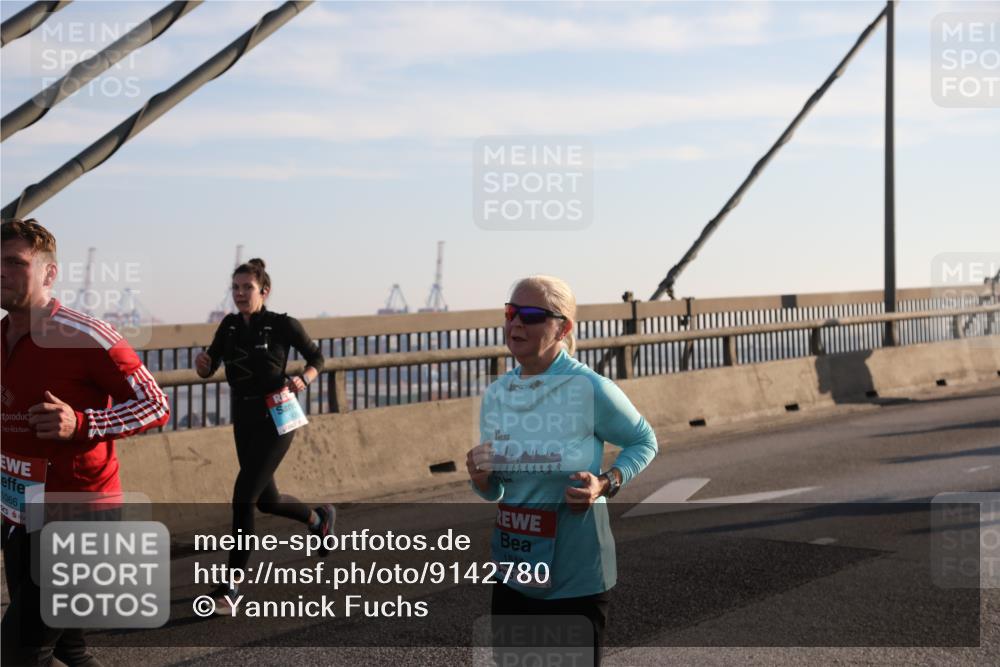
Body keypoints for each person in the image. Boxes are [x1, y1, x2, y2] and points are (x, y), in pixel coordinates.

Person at [1, 218, 171, 666]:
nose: (1, 272)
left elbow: (156, 404)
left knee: (18, 651)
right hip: (18, 514)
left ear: (49, 274)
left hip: (81, 518)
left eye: (15, 263)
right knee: (67, 649)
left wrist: (81, 423)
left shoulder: (86, 334)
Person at [466, 275, 658, 666]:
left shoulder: (590, 389)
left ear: (563, 328)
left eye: (532, 315)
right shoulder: (498, 394)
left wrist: (605, 482)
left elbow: (644, 441)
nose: (516, 323)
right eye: (511, 312)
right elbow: (497, 491)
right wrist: (482, 477)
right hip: (513, 572)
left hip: (575, 577)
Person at [194, 258, 332, 610]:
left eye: (247, 288)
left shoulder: (282, 325)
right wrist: (204, 366)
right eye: (236, 288)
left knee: (243, 497)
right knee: (266, 500)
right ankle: (319, 520)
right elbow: (210, 366)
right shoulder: (227, 327)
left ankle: (232, 585)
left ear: (264, 291)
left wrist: (304, 378)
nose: (240, 294)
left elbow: (317, 358)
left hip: (278, 415)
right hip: (244, 416)